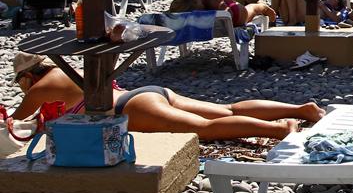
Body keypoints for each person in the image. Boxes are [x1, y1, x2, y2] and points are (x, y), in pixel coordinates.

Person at [10, 53, 319, 141]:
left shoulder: (39, 89)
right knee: (226, 109)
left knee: (203, 129)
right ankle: (301, 109)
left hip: (131, 109)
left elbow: (13, 125)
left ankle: (280, 129)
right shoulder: (68, 70)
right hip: (148, 94)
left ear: (27, 77)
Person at [169, 0, 276, 27]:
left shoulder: (207, 0)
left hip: (234, 11)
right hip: (236, 15)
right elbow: (228, 14)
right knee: (253, 8)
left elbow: (227, 12)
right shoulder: (204, 1)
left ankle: (265, 8)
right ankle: (263, 7)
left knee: (253, 8)